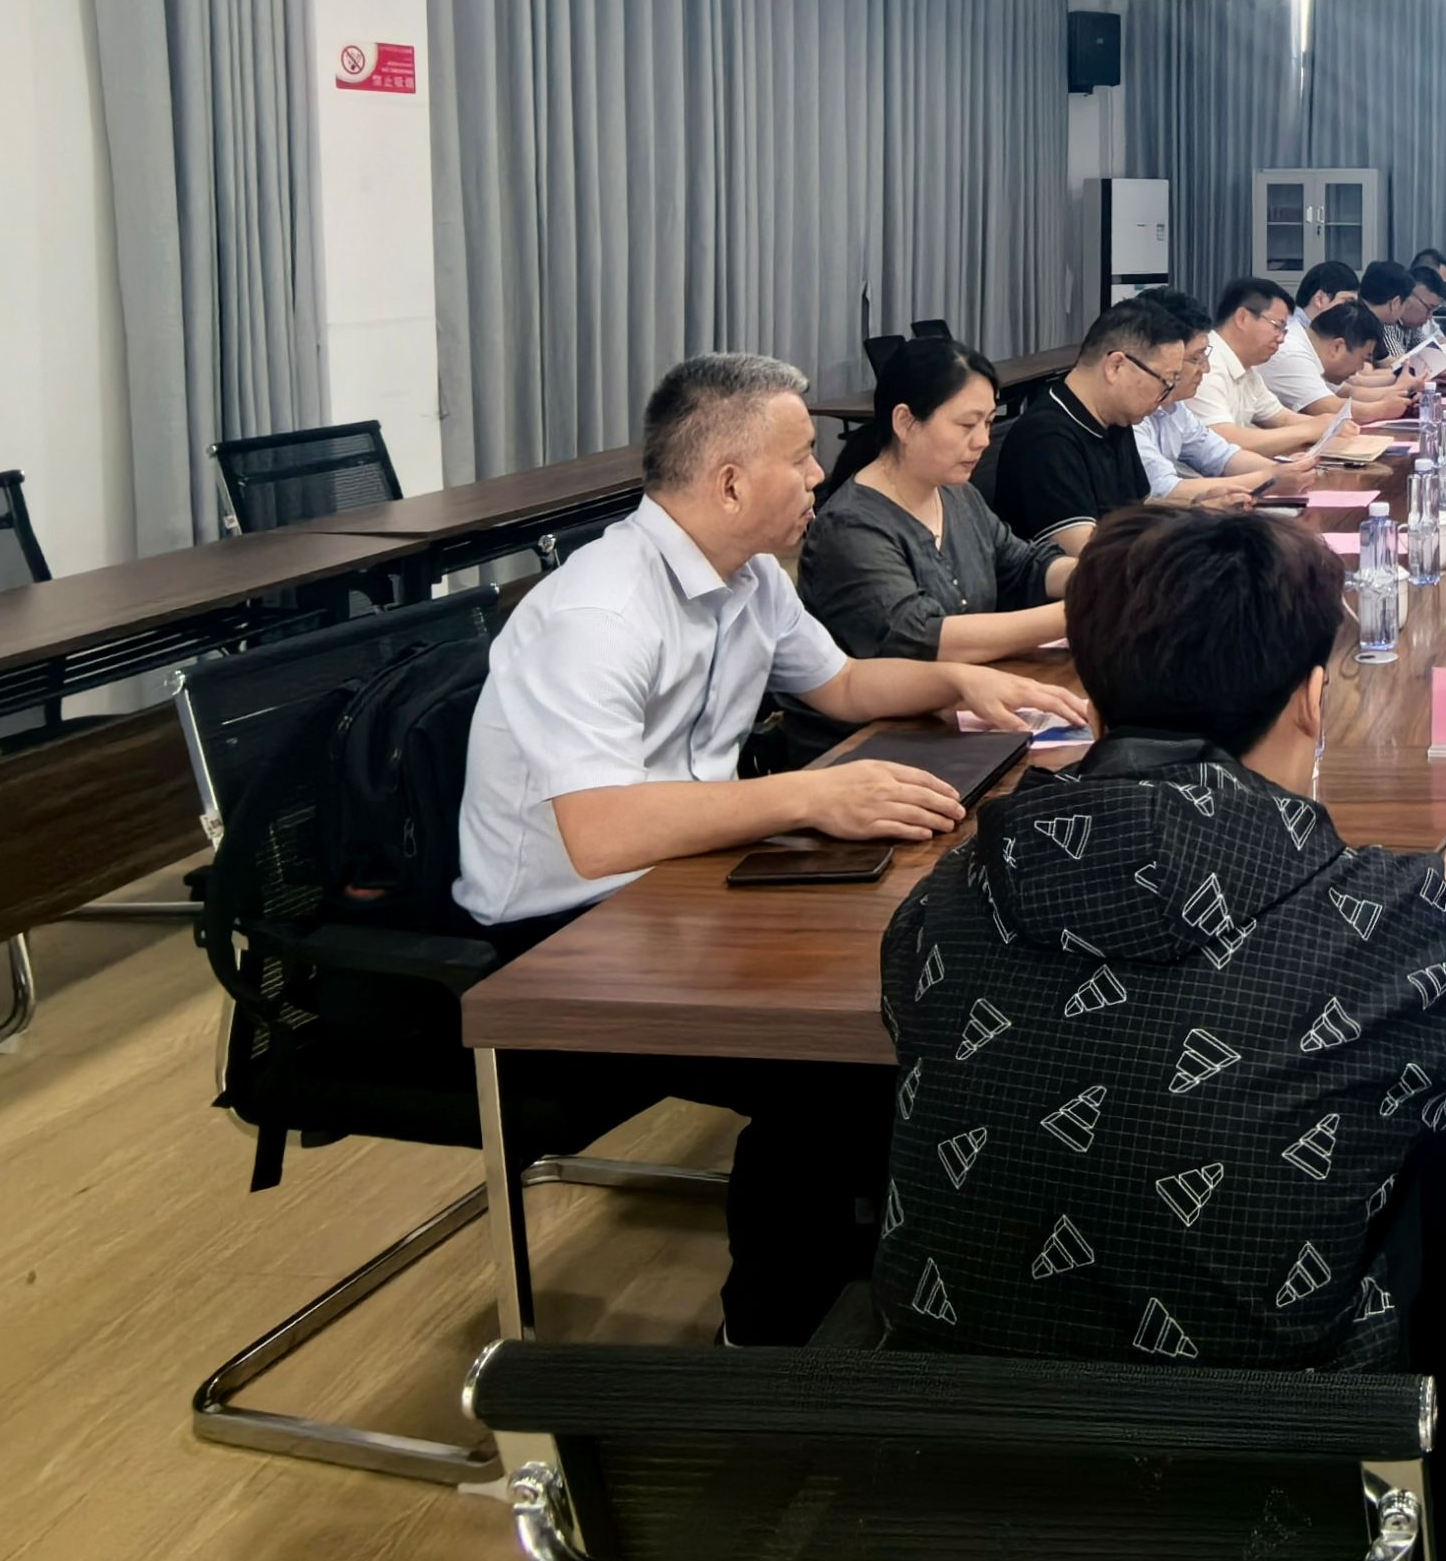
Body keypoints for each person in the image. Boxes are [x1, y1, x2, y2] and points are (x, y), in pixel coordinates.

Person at [874, 507, 1446, 1561]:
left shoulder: (948, 902)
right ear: (1311, 698)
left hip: (952, 1553)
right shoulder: (1387, 930)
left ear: (1091, 690)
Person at [455, 351, 1084, 1342]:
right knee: (840, 1061)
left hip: (681, 881)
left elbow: (841, 685)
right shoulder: (596, 612)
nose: (820, 476)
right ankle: (768, 1341)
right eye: (799, 459)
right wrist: (812, 793)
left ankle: (888, 1284)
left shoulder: (745, 577)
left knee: (925, 976)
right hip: (567, 930)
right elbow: (602, 831)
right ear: (729, 482)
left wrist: (959, 683)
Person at [799, 334, 1073, 668]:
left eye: (988, 422)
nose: (983, 440)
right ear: (905, 422)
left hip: (973, 690)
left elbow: (1022, 566)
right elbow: (922, 638)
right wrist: (1075, 612)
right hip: (895, 703)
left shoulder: (957, 493)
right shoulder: (849, 527)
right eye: (967, 424)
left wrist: (1092, 577)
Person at [990, 298, 1195, 554]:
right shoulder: (1047, 439)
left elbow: (1135, 510)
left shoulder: (1116, 418)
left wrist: (1198, 507)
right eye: (1166, 382)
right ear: (1116, 366)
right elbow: (1086, 553)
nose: (1166, 396)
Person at [1123, 288, 1278, 509]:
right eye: (1196, 358)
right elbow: (1164, 490)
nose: (1205, 368)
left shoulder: (1174, 407)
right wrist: (1270, 477)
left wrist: (1279, 470)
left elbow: (1221, 456)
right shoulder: (1130, 414)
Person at [1199, 276, 1374, 463]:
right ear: (1243, 318)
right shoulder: (1205, 363)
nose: (1281, 339)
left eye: (1284, 330)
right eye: (1277, 326)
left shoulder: (1247, 369)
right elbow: (1223, 439)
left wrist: (1330, 424)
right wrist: (1309, 429)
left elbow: (1280, 417)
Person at [1273, 260, 1411, 424]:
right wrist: (1382, 408)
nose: (1350, 310)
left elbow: (1345, 391)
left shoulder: (1311, 339)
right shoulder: (1292, 347)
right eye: (1347, 302)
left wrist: (1396, 392)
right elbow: (1325, 406)